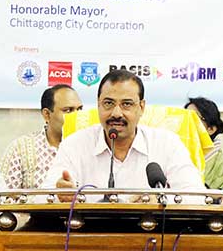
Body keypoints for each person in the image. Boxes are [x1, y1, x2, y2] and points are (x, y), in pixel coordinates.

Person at [43, 70, 204, 202]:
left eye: (126, 104)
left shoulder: (167, 143)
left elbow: (197, 198)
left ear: (141, 107)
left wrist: (160, 200)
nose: (116, 113)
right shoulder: (74, 145)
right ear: (98, 105)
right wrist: (58, 194)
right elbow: (39, 198)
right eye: (108, 103)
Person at [0, 84, 83, 189]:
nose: (76, 116)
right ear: (47, 114)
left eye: (80, 109)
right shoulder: (20, 149)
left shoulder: (90, 147)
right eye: (68, 110)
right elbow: (3, 199)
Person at [184, 97, 223, 189]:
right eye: (184, 117)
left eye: (193, 118)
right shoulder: (172, 152)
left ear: (210, 129)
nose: (185, 122)